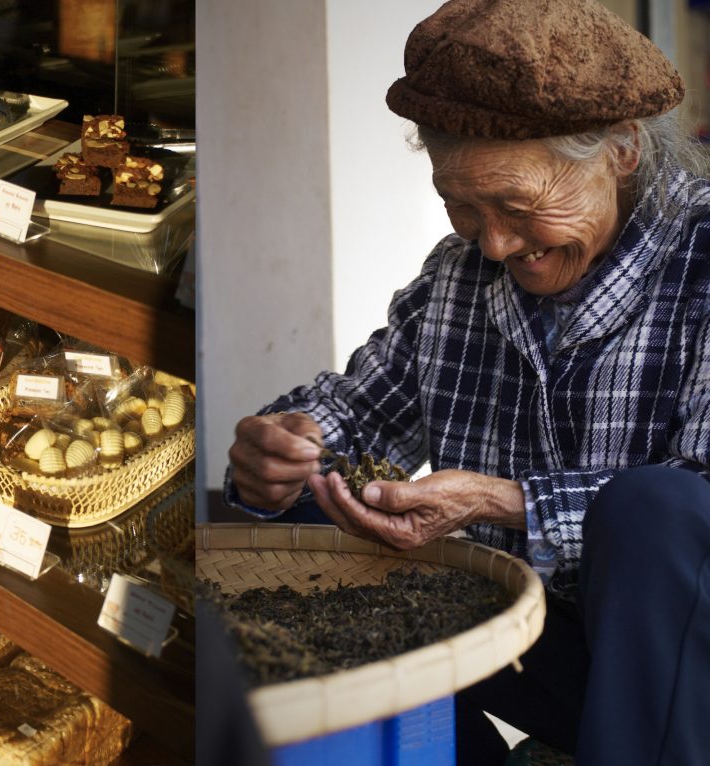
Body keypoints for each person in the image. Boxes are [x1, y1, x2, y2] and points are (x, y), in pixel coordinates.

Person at [224, 1, 710, 764]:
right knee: (310, 529)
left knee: (657, 510)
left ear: (620, 151)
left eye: (518, 206)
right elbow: (359, 406)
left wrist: (499, 501)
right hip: (532, 640)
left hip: (686, 671)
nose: (496, 241)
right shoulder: (462, 274)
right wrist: (290, 446)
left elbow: (694, 511)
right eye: (461, 206)